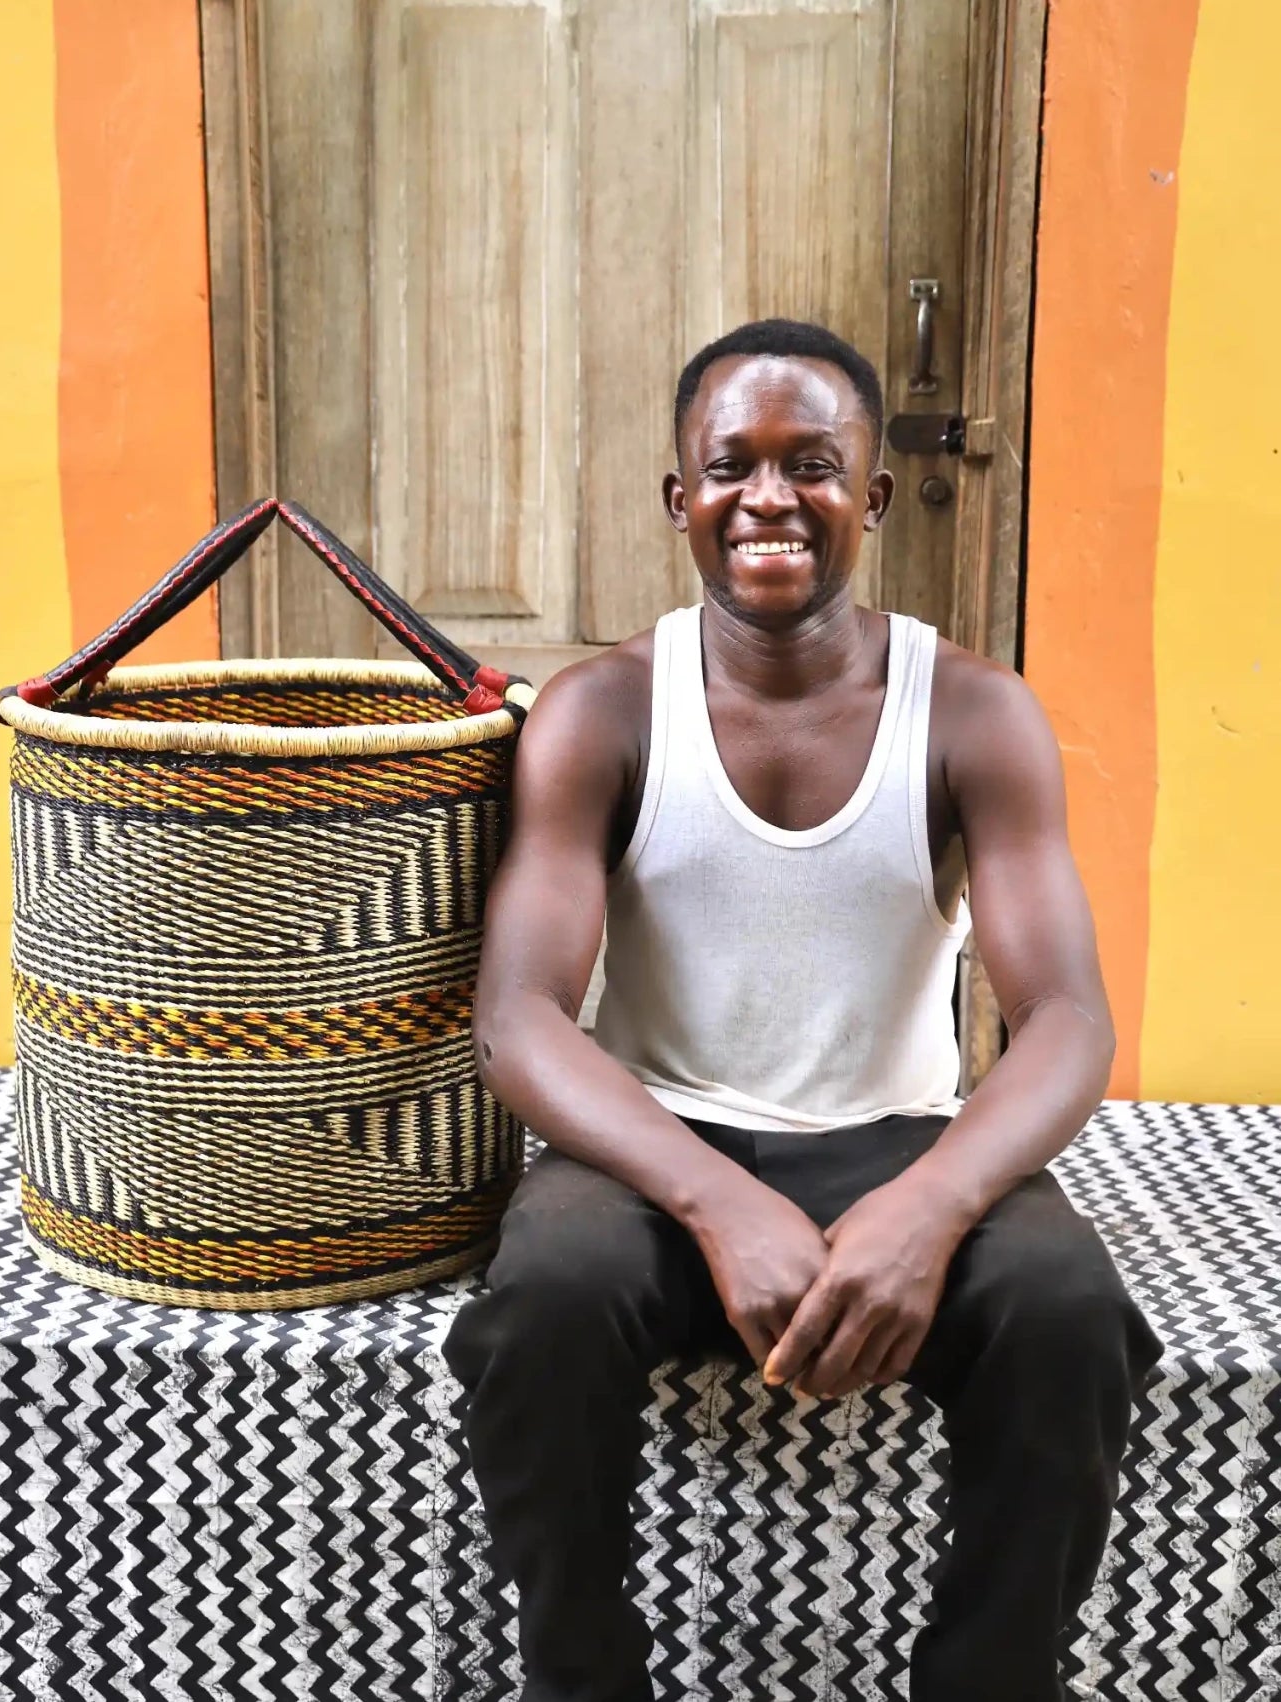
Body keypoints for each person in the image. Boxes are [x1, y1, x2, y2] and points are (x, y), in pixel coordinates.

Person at [443, 318, 1161, 1702]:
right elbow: (520, 1017)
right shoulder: (601, 710)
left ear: (872, 498)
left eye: (812, 465)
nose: (768, 496)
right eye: (730, 465)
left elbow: (1066, 1017)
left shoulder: (971, 713)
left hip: (894, 1139)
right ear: (679, 498)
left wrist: (934, 1202)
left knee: (1066, 1308)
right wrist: (713, 1199)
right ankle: (581, 1679)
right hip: (654, 1146)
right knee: (542, 1296)